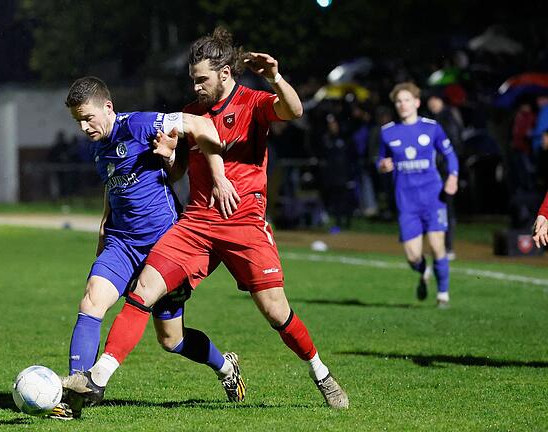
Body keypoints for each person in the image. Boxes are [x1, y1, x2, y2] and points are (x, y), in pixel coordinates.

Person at [61, 27, 349, 416]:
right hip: (196, 223)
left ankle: (322, 374)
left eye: (202, 80)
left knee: (275, 310)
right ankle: (96, 380)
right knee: (143, 290)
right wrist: (168, 158)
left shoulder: (252, 102)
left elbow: (294, 111)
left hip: (243, 222)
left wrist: (276, 79)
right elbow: (178, 171)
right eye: (192, 80)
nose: (196, 87)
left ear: (226, 74)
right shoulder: (190, 113)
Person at [53, 76, 245, 419]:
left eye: (87, 117)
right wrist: (103, 223)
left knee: (171, 339)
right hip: (121, 243)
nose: (84, 127)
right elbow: (114, 184)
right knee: (91, 300)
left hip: (165, 246)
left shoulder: (139, 124)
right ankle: (75, 393)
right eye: (77, 121)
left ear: (108, 108)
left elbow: (199, 123)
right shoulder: (99, 146)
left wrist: (218, 176)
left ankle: (225, 366)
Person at [378, 82, 459, 308]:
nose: (402, 105)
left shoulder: (432, 128)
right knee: (413, 257)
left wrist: (452, 177)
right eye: (398, 101)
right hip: (406, 202)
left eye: (406, 100)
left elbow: (450, 155)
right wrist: (383, 166)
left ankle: (443, 294)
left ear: (416, 102)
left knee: (437, 246)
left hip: (433, 198)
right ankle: (424, 271)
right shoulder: (388, 132)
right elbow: (380, 160)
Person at [427, 94, 463, 259]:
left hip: (444, 171)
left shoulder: (447, 118)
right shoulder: (435, 118)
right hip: (436, 170)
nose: (432, 103)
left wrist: (450, 171)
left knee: (446, 207)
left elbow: (453, 146)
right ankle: (440, 245)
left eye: (435, 99)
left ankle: (448, 247)